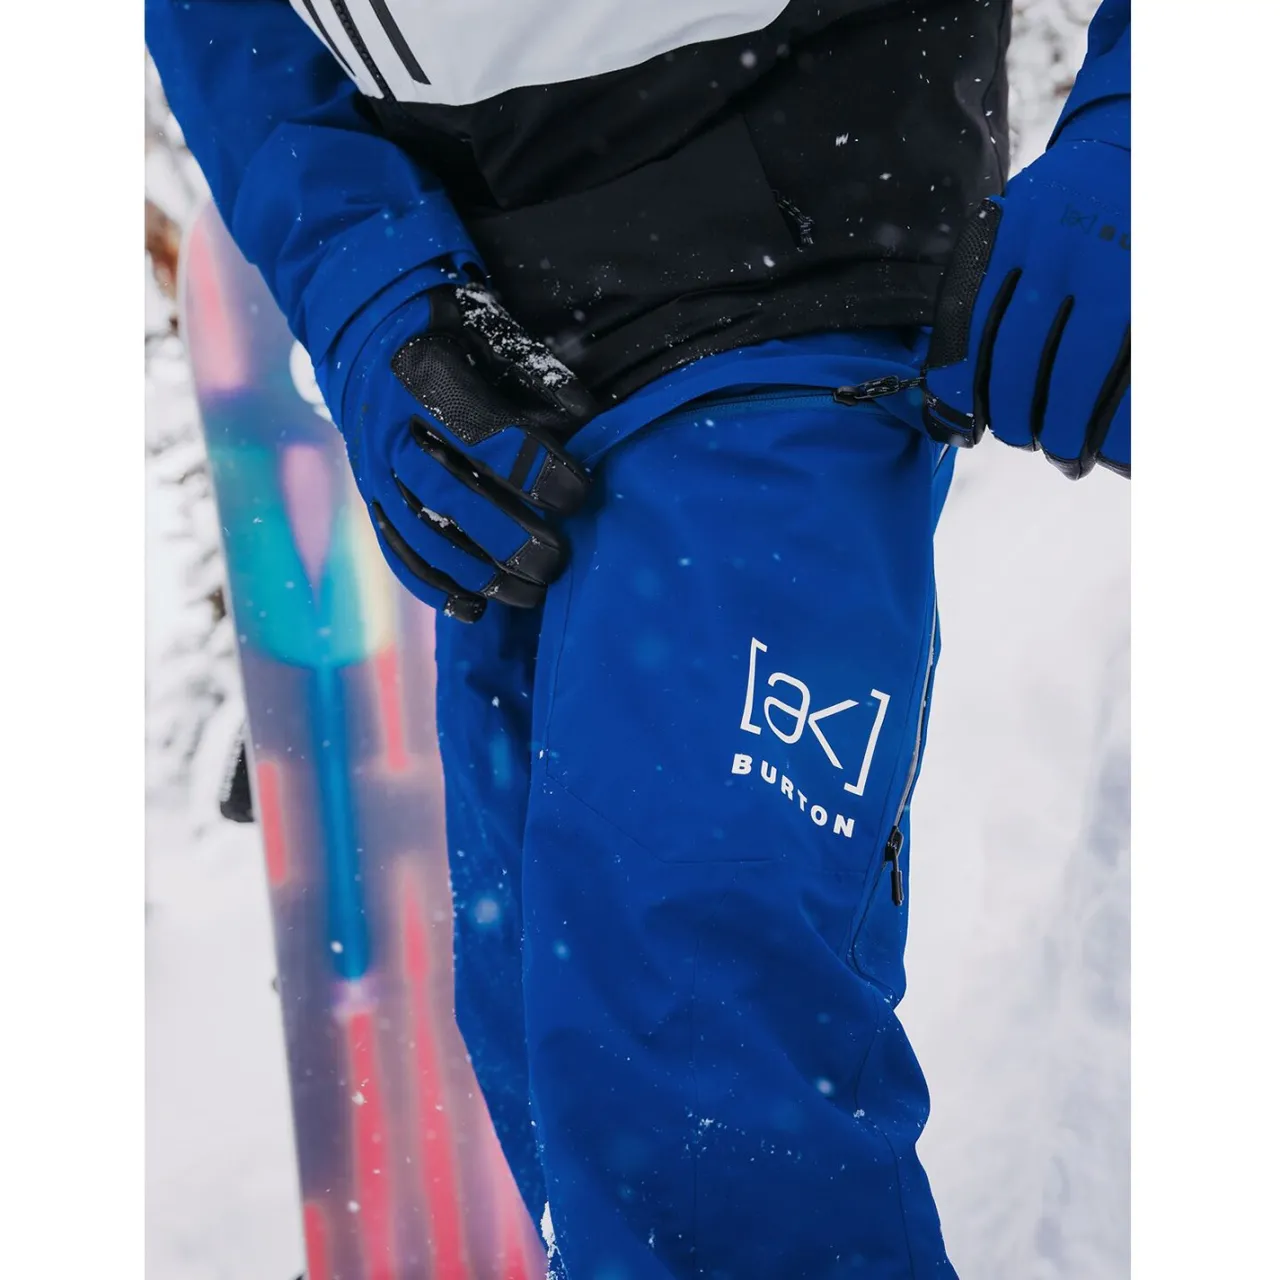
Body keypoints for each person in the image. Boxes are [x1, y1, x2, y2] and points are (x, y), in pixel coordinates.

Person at [147, 1, 1130, 1275]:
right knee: (550, 1030)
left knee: (681, 1010)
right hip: (492, 369)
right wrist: (364, 284)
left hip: (794, 252)